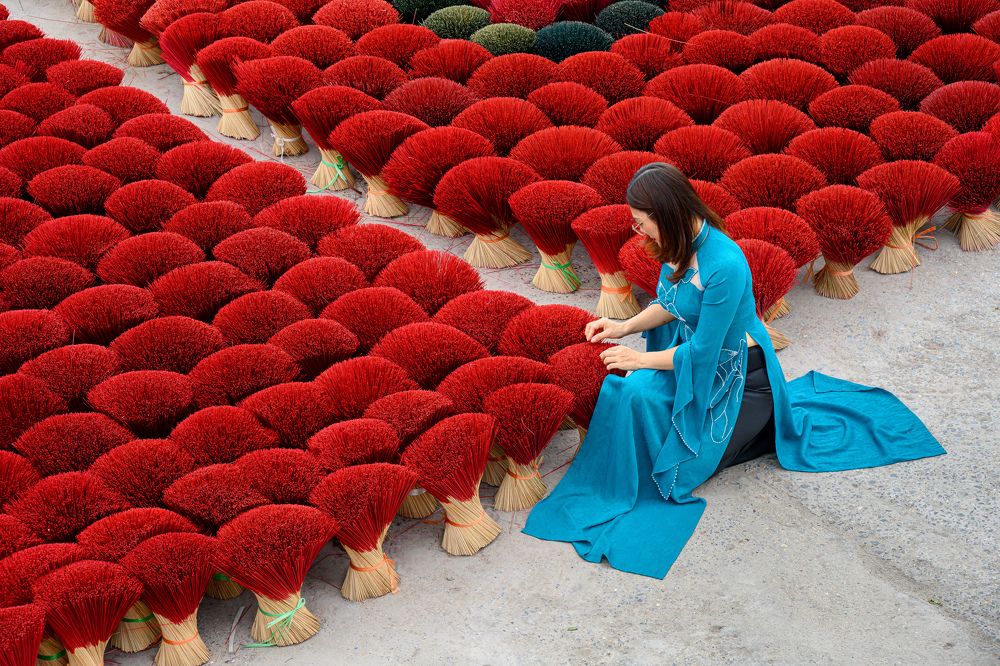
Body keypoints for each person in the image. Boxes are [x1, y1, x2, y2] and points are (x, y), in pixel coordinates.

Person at [522, 163, 945, 579]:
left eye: (641, 222)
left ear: (666, 215)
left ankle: (723, 443)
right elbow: (671, 305)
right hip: (693, 357)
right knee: (627, 393)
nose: (639, 231)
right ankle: (623, 477)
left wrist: (639, 360)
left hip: (741, 374)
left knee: (641, 398)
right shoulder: (675, 245)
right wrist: (624, 326)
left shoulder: (724, 263)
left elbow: (707, 352)